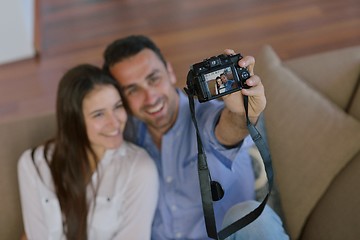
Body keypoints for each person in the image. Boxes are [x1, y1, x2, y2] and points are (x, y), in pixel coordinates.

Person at [103, 35, 289, 240]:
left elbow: (228, 132)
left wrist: (243, 114)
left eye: (153, 79)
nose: (150, 98)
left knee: (253, 219)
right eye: (132, 90)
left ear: (170, 71)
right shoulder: (121, 135)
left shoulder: (206, 115)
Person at [17, 64, 159, 240]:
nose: (115, 123)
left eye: (117, 107)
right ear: (74, 120)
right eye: (99, 114)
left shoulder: (139, 169)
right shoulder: (33, 165)